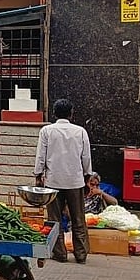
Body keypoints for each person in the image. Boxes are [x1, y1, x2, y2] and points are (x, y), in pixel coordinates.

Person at [34, 98, 92, 264]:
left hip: (53, 182)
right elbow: (86, 157)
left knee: (55, 220)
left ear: (54, 113)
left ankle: (59, 253)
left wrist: (38, 175)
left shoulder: (47, 131)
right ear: (71, 114)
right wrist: (87, 177)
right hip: (75, 181)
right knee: (78, 219)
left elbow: (41, 156)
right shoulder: (80, 131)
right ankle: (81, 255)